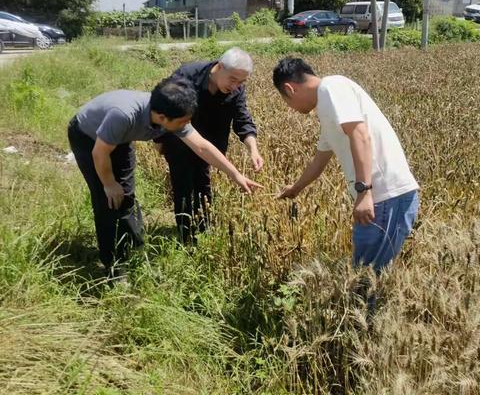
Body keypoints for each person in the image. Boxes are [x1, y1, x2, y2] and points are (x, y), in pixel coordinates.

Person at [68, 76, 262, 278]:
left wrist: (236, 174)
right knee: (108, 200)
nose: (185, 126)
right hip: (88, 137)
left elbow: (201, 146)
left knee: (125, 195)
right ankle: (115, 267)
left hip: (119, 138)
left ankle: (135, 249)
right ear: (162, 118)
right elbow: (99, 153)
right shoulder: (123, 116)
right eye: (182, 122)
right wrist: (108, 183)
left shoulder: (170, 113)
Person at [273, 58, 419, 273]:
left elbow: (360, 135)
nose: (291, 108)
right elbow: (319, 160)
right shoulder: (327, 109)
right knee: (366, 275)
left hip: (385, 196)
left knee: (368, 278)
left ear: (289, 89)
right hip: (380, 199)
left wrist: (364, 192)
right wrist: (295, 188)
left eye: (286, 101)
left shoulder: (332, 87)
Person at [155, 47, 263, 242]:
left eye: (241, 82)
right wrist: (159, 140)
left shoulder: (235, 89)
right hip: (180, 141)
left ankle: (204, 232)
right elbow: (164, 106)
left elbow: (242, 119)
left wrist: (253, 148)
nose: (236, 86)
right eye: (233, 79)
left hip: (211, 146)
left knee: (203, 184)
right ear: (219, 67)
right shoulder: (186, 76)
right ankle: (186, 237)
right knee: (183, 186)